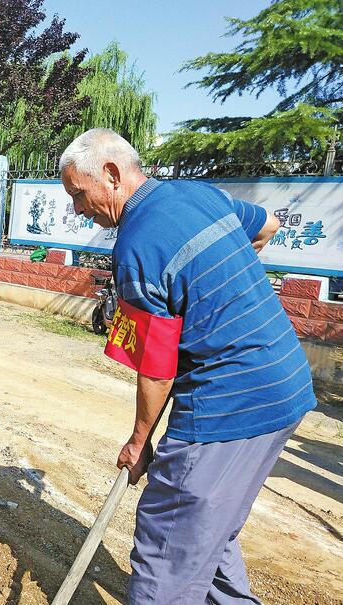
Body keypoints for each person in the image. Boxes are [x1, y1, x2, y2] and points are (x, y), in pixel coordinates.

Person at [58, 128, 316, 603]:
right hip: (287, 385)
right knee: (206, 530)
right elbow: (266, 228)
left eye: (78, 193)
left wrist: (139, 442)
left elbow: (157, 368)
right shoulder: (196, 193)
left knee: (170, 542)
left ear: (111, 175)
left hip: (228, 405)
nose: (77, 209)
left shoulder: (136, 247)